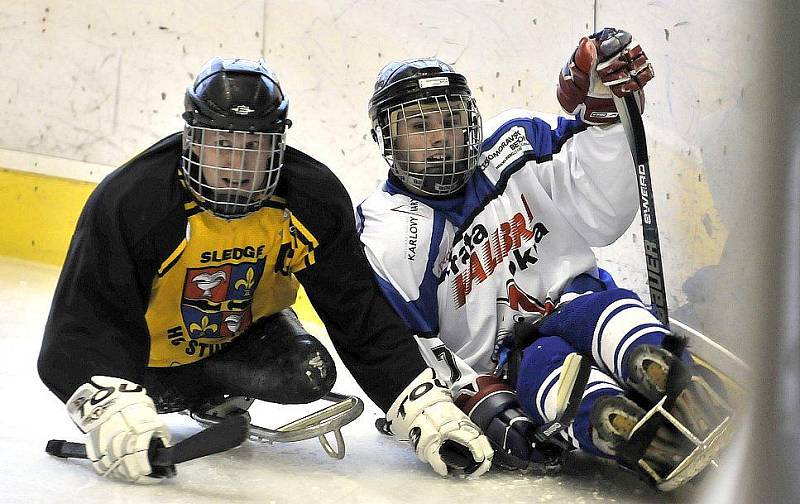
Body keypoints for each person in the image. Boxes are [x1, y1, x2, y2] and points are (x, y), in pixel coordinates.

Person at [37, 57, 494, 483]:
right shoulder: (135, 200)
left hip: (238, 348)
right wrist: (111, 405)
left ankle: (214, 391)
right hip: (142, 366)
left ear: (279, 144)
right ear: (192, 139)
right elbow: (78, 327)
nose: (238, 166)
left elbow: (359, 316)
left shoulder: (310, 198)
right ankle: (165, 395)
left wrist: (425, 409)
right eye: (222, 144)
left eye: (254, 147)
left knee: (308, 370)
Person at [357, 29, 736, 490]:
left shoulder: (516, 142)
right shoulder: (387, 234)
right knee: (551, 378)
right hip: (508, 366)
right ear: (386, 139)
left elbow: (603, 215)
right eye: (419, 127)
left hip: (578, 300)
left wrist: (605, 119)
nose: (439, 138)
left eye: (449, 121)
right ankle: (636, 433)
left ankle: (666, 372)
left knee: (603, 312)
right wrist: (466, 397)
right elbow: (412, 345)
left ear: (470, 121)